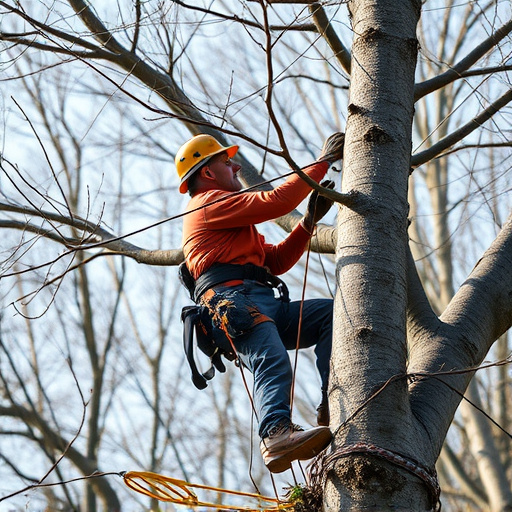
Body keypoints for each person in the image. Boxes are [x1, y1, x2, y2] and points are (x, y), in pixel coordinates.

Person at [176, 132, 344, 473]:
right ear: (208, 173)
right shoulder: (206, 204)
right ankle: (275, 433)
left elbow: (277, 261)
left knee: (331, 314)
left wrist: (308, 224)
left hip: (261, 300)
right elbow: (276, 202)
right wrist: (322, 161)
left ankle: (333, 398)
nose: (236, 165)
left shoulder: (234, 226)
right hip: (231, 301)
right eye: (227, 162)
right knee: (271, 357)